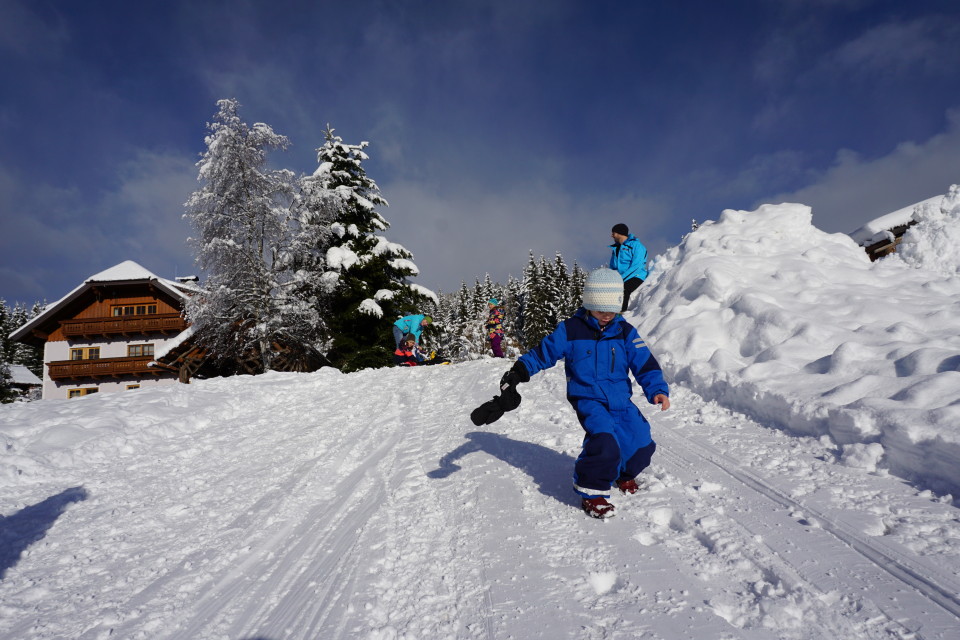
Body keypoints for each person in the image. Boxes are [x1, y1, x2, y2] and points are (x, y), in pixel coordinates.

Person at [470, 267, 670, 519]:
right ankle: (592, 490)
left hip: (621, 400)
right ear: (588, 303)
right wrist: (518, 372)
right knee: (604, 442)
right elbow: (543, 353)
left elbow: (644, 362)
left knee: (641, 442)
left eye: (612, 310)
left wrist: (657, 389)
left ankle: (622, 475)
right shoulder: (571, 330)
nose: (607, 315)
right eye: (600, 310)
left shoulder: (625, 332)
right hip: (589, 399)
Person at [609, 223, 648, 313]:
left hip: (636, 276)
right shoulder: (616, 248)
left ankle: (621, 314)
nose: (611, 235)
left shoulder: (636, 246)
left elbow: (637, 266)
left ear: (619, 233)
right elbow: (612, 267)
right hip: (620, 278)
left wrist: (621, 279)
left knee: (623, 290)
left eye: (613, 233)